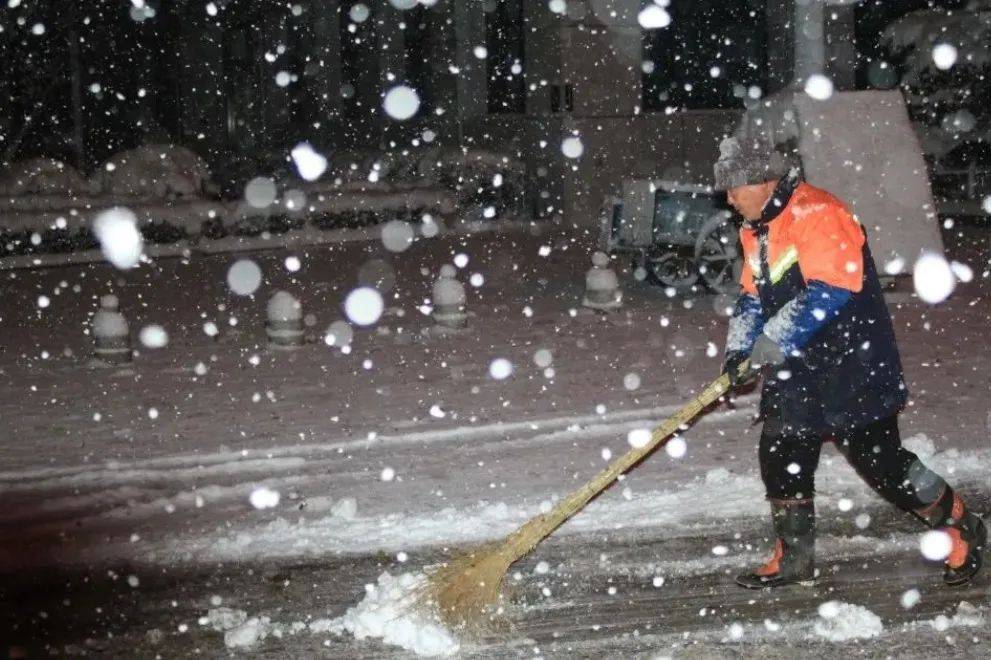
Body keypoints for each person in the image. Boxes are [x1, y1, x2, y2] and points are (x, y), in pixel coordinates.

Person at [713, 132, 985, 589]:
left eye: (734, 187)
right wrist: (739, 349)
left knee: (882, 465)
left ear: (762, 180)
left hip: (851, 364)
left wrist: (768, 344)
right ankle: (794, 557)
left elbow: (831, 290)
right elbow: (752, 296)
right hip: (796, 367)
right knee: (781, 452)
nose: (729, 198)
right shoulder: (756, 228)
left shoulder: (819, 213)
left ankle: (959, 525)